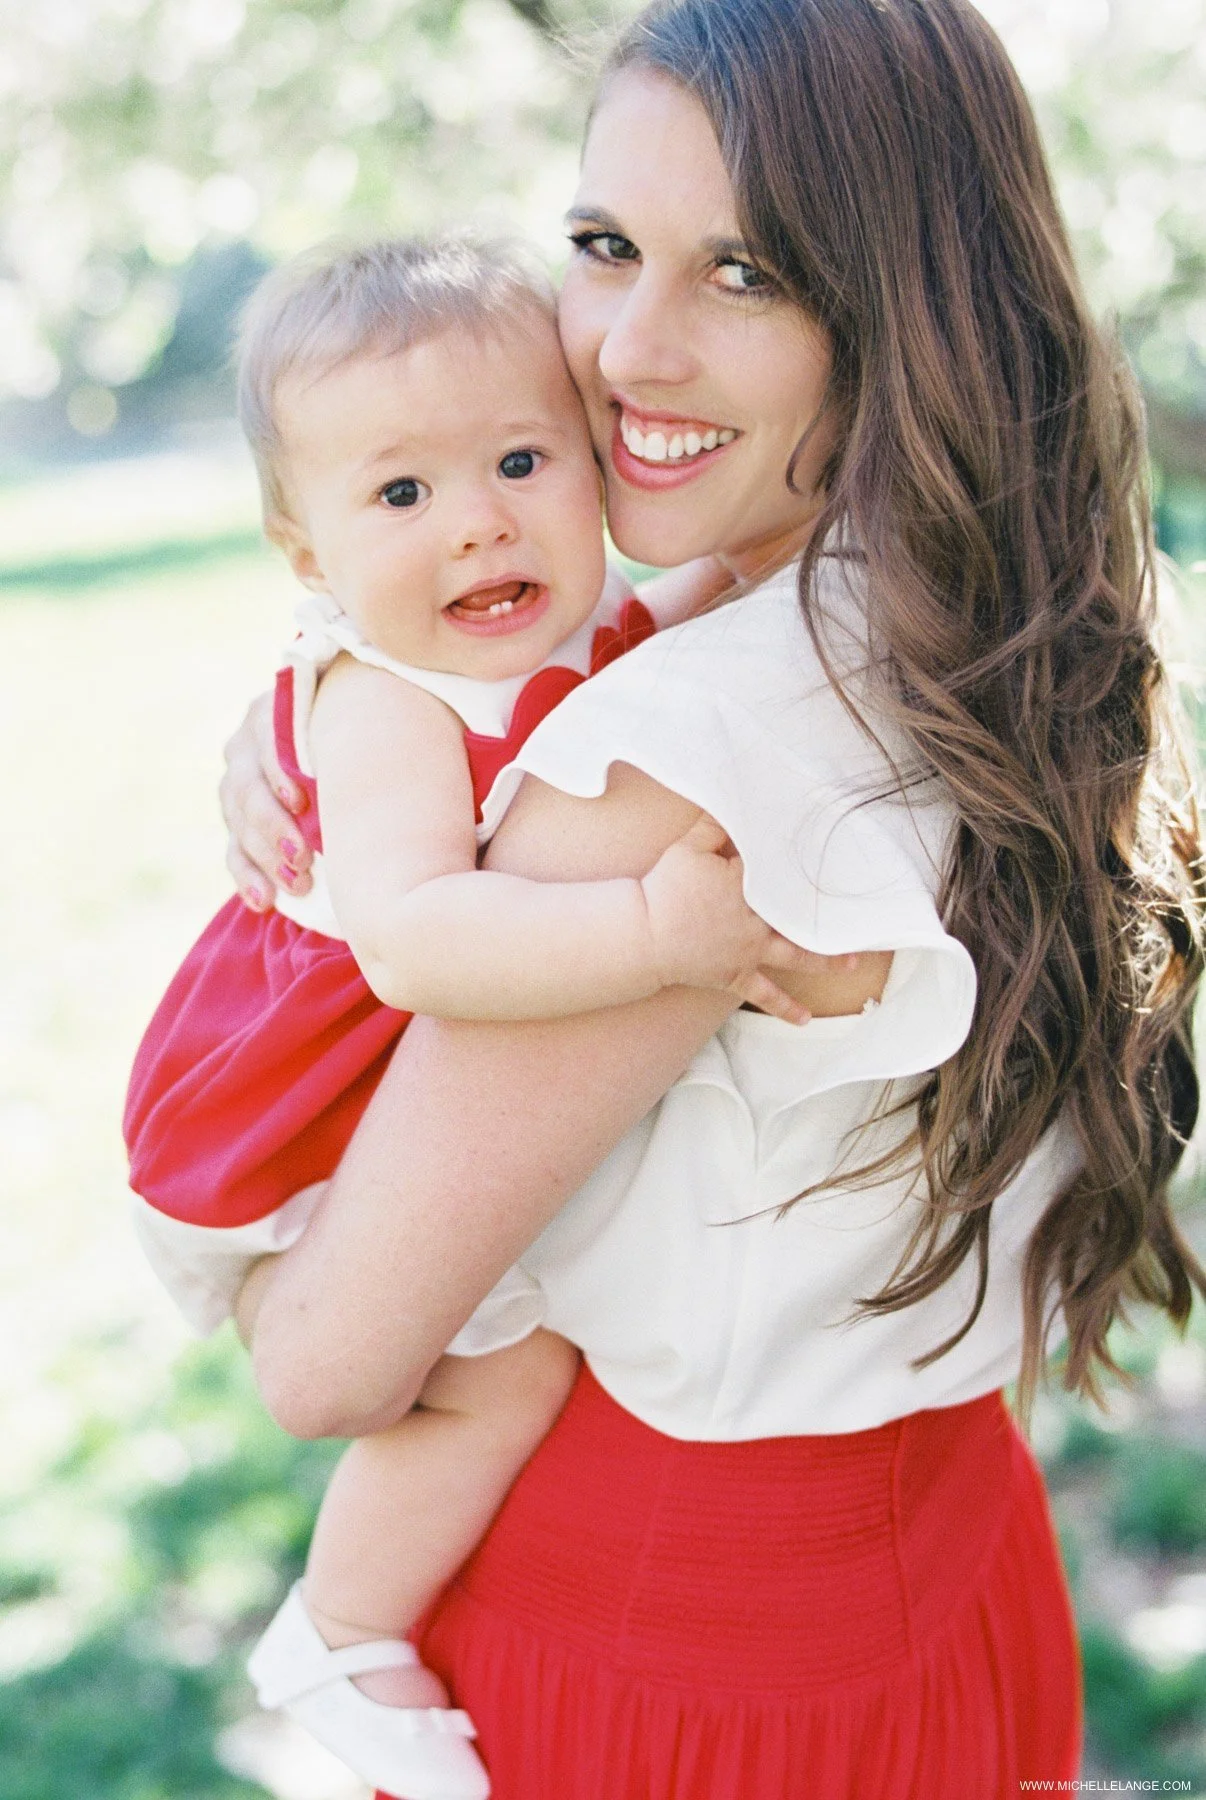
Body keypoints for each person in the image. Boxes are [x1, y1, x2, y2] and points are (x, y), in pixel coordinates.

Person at [219, 1, 1205, 1795]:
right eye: (602, 247)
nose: (624, 351)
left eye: (743, 270)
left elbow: (327, 1364)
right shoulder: (1020, 630)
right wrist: (320, 706)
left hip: (665, 1652)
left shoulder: (678, 761)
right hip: (954, 1576)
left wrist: (244, 1248)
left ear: (904, 305)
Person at [124, 234, 822, 1799]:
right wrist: (654, 930)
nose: (479, 522)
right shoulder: (387, 700)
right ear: (307, 558)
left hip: (348, 1092)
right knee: (494, 1375)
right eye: (401, 497)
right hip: (280, 1120)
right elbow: (423, 947)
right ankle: (342, 1624)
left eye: (521, 459)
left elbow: (723, 580)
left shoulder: (598, 631)